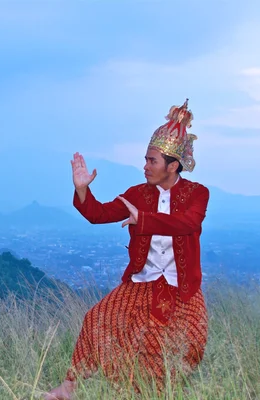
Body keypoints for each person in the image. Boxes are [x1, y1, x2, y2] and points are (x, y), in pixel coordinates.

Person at [44, 99, 210, 399]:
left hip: (181, 287)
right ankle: (69, 386)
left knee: (178, 345)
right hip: (140, 284)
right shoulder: (137, 193)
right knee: (97, 319)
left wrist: (143, 220)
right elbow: (99, 214)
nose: (145, 166)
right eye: (145, 159)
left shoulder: (197, 194)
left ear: (173, 166)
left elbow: (187, 224)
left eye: (152, 161)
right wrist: (82, 189)